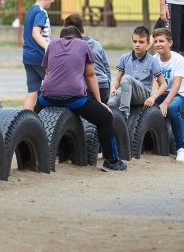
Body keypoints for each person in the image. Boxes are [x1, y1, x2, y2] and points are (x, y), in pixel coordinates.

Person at [35, 26, 127, 172]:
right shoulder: (84, 44)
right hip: (74, 98)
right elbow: (90, 75)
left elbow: (48, 72)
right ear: (78, 37)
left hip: (46, 97)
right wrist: (99, 102)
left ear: (62, 37)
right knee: (106, 119)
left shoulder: (52, 44)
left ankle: (31, 158)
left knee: (33, 121)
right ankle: (112, 161)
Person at [109, 26, 167, 118]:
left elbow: (163, 84)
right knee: (111, 103)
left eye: (141, 42)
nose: (137, 44)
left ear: (148, 44)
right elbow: (117, 80)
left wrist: (153, 97)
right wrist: (113, 88)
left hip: (142, 94)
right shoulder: (124, 58)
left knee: (126, 78)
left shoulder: (152, 61)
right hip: (125, 91)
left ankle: (124, 114)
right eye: (135, 41)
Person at [151, 27, 184, 163]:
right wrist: (153, 98)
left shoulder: (178, 59)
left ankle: (181, 148)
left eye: (161, 41)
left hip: (179, 94)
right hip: (162, 93)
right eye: (155, 41)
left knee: (173, 108)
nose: (158, 44)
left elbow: (177, 84)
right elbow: (154, 84)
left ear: (170, 43)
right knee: (147, 107)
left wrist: (166, 102)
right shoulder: (154, 59)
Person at [22, 0, 57, 110]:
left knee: (33, 91)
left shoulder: (31, 11)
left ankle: (24, 120)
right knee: (56, 87)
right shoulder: (41, 12)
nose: (53, 1)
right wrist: (50, 48)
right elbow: (36, 34)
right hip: (40, 57)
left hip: (28, 56)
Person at [63, 13, 112, 103]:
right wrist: (107, 89)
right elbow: (107, 69)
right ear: (83, 30)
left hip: (86, 88)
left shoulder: (65, 47)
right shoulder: (96, 44)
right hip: (103, 85)